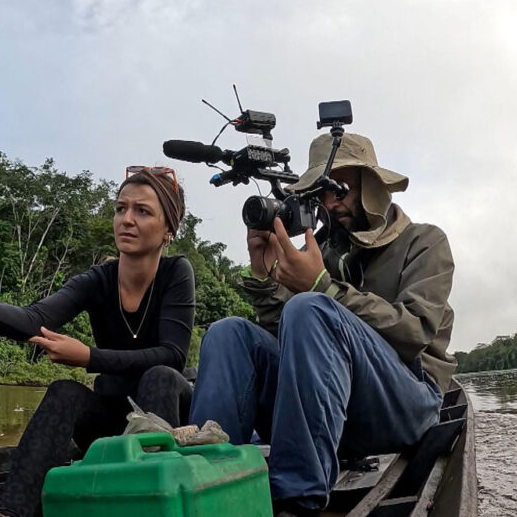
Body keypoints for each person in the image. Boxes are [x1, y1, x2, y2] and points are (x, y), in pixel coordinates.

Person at [189, 133, 456, 516]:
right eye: (323, 194)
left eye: (341, 190)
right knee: (228, 333)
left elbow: (414, 332)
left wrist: (322, 287)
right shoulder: (325, 252)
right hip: (334, 410)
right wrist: (266, 275)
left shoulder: (425, 241)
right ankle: (207, 484)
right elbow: (289, 340)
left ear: (373, 189)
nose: (331, 203)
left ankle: (296, 501)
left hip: (407, 401)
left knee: (311, 308)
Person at [0, 167, 195, 517]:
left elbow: (173, 355)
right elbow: (35, 320)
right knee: (65, 392)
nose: (126, 219)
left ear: (168, 229)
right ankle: (10, 512)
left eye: (142, 211)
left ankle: (146, 503)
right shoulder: (98, 279)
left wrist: (89, 357)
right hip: (114, 420)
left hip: (167, 422)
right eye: (120, 208)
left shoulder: (177, 273)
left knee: (160, 375)